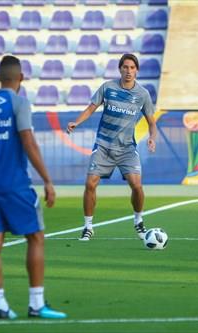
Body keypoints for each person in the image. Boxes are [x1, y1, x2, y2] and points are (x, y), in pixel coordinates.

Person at [0, 55, 66, 320]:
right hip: (16, 184)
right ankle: (36, 303)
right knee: (35, 237)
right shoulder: (19, 103)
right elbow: (28, 141)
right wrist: (47, 179)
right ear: (20, 78)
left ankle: (0, 305)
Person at [66, 53, 157, 241]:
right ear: (120, 69)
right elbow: (91, 108)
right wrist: (77, 122)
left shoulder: (142, 94)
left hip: (127, 149)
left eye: (132, 68)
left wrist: (152, 138)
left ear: (137, 70)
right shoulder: (108, 88)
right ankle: (88, 227)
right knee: (90, 184)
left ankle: (138, 221)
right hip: (103, 145)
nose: (129, 71)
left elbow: (151, 121)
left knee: (137, 186)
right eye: (125, 67)